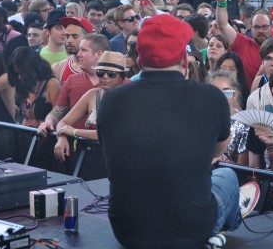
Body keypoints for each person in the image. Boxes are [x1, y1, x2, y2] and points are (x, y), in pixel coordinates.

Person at [97, 14, 243, 248]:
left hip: (128, 231)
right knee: (227, 177)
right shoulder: (211, 97)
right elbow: (218, 150)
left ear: (139, 61)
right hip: (193, 230)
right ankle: (219, 233)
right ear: (185, 61)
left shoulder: (111, 100)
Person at [54, 52, 127, 162]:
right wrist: (61, 137)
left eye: (111, 74)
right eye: (100, 72)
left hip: (115, 159)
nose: (105, 77)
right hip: (90, 157)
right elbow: (63, 122)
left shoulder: (126, 98)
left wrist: (74, 131)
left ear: (121, 78)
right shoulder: (92, 94)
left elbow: (106, 134)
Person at [7, 47, 61, 127]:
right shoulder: (22, 84)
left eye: (22, 73)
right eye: (17, 74)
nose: (19, 77)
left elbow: (59, 117)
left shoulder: (51, 84)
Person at [207, 70, 249, 166]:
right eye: (216, 92)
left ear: (234, 94)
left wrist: (222, 160)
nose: (221, 97)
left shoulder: (244, 125)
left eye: (227, 92)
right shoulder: (201, 120)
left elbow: (243, 169)